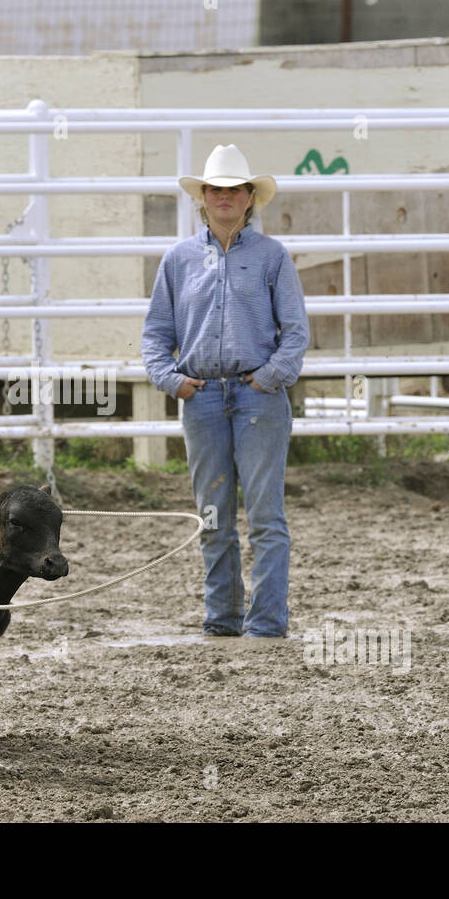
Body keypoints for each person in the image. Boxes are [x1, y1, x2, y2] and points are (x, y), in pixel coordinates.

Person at [141, 144, 310, 639]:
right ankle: (223, 617)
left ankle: (265, 621)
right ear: (205, 197)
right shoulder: (179, 260)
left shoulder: (272, 257)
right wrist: (172, 380)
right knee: (213, 516)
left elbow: (295, 331)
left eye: (234, 189)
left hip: (256, 394)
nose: (225, 197)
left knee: (264, 515)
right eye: (217, 189)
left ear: (249, 197)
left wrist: (269, 376)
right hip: (204, 397)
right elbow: (155, 334)